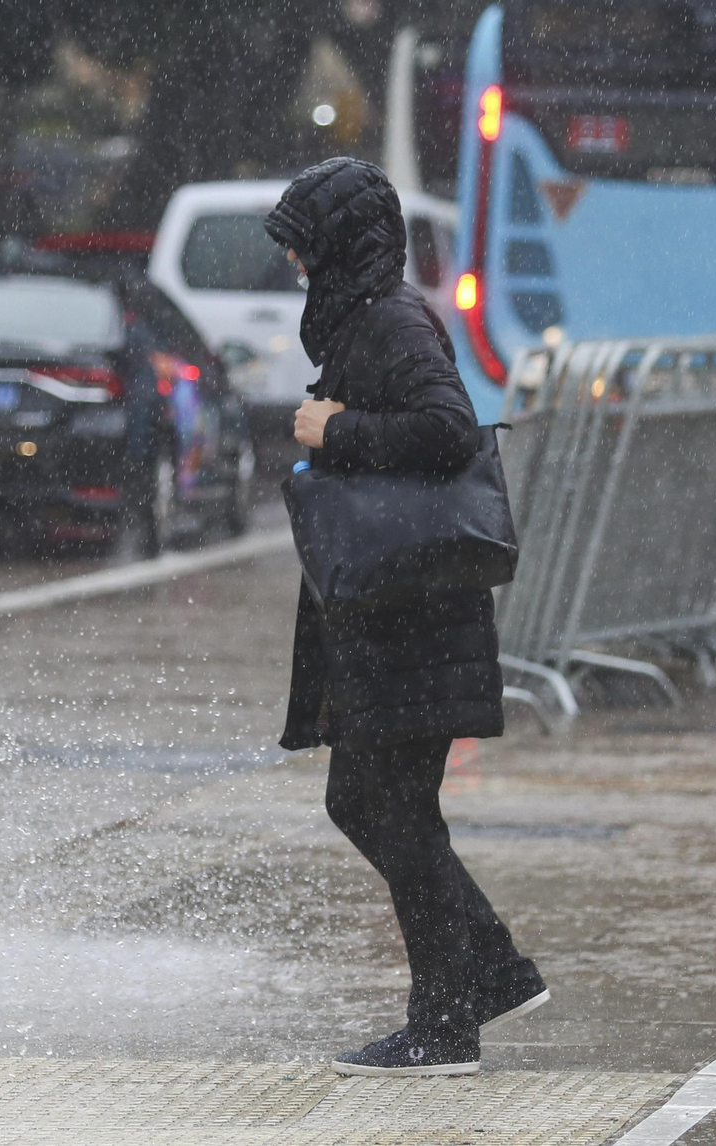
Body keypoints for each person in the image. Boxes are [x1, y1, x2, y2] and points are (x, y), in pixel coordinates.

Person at [263, 157, 547, 1077]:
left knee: (383, 804)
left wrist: (333, 429)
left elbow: (447, 429)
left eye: (304, 248)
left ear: (342, 245)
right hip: (400, 613)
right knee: (376, 802)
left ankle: (448, 1021)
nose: (297, 266)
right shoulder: (366, 318)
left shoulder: (390, 322)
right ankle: (481, 979)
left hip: (417, 614)